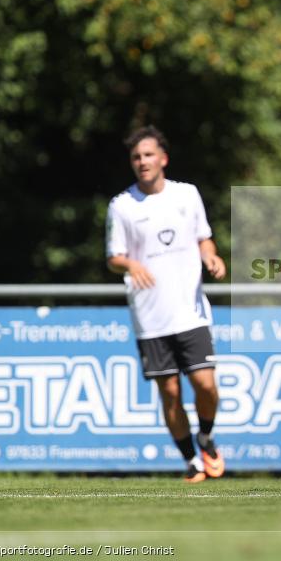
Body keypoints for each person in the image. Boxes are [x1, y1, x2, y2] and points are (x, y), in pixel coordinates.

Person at [106, 126, 227, 483]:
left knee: (205, 384)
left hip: (189, 310)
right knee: (169, 391)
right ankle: (191, 460)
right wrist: (130, 264)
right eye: (136, 157)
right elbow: (113, 257)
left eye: (147, 155)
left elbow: (204, 238)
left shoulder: (187, 195)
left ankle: (205, 436)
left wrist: (212, 257)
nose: (142, 162)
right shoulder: (122, 205)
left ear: (163, 159)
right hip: (150, 315)